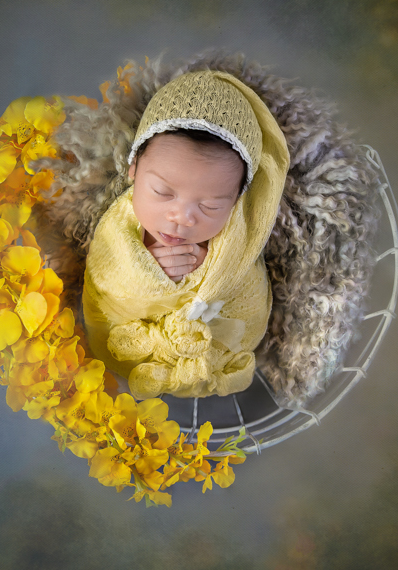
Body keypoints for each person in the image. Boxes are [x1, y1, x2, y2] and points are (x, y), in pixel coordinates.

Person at [80, 70, 289, 400]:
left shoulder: (238, 238)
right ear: (134, 169)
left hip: (208, 355)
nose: (182, 218)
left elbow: (249, 302)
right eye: (163, 192)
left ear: (237, 202)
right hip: (128, 351)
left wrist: (210, 272)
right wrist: (148, 276)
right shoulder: (119, 228)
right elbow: (103, 282)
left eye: (209, 206)